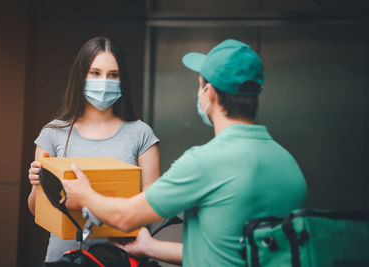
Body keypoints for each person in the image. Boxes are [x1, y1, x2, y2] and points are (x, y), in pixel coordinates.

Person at [61, 39, 308, 266]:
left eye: (199, 84)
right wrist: (150, 247)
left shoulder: (204, 162)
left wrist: (85, 196)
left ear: (208, 93)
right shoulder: (289, 165)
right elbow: (234, 252)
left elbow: (126, 218)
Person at [27, 36, 160, 262]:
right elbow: (36, 209)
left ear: (122, 81)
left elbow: (155, 204)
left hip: (123, 259)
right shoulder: (52, 133)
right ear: (81, 76)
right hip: (63, 259)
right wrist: (37, 185)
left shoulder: (141, 133)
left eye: (113, 75)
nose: (104, 81)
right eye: (95, 73)